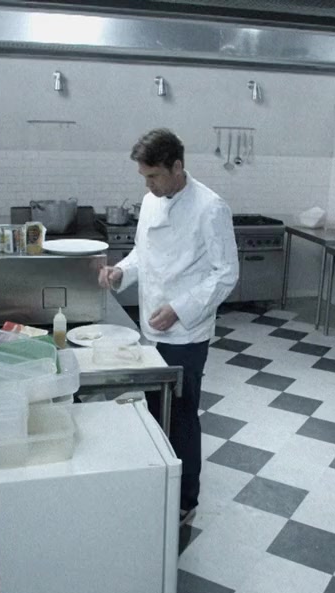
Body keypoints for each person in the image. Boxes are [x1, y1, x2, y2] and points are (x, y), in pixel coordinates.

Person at [98, 128, 238, 524]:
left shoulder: (210, 207)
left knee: (181, 414)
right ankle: (160, 482)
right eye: (144, 177)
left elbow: (226, 274)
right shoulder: (150, 201)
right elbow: (144, 253)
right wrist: (120, 272)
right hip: (152, 327)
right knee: (154, 408)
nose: (148, 185)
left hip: (186, 333)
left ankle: (185, 499)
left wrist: (180, 309)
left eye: (154, 176)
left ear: (177, 167)